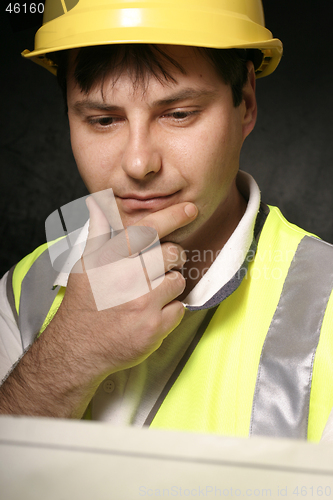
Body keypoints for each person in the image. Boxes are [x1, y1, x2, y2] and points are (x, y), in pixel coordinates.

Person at [0, 0, 333, 443]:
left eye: (178, 114)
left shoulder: (324, 307)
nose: (138, 163)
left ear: (246, 104)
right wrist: (69, 356)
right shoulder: (22, 291)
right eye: (103, 120)